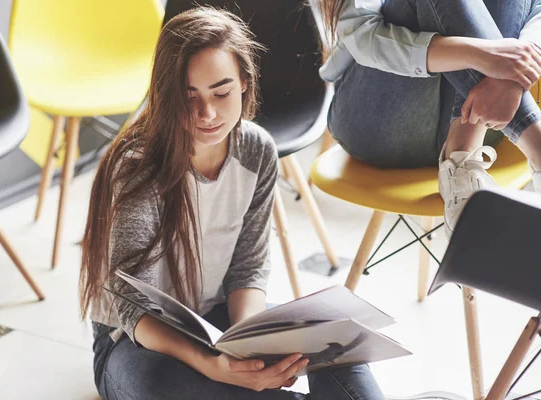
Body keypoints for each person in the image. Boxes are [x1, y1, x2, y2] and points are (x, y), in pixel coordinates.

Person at [79, 7, 385, 400]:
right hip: (135, 342)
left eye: (221, 92)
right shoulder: (140, 165)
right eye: (188, 97)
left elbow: (247, 268)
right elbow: (133, 306)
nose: (206, 113)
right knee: (169, 389)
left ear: (244, 81)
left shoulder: (256, 150)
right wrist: (213, 365)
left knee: (339, 344)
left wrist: (249, 343)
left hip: (219, 318)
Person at [319, 0, 541, 237]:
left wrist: (519, 61)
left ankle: (463, 156)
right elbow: (364, 37)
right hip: (377, 124)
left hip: (488, 117)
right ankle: (535, 142)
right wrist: (485, 56)